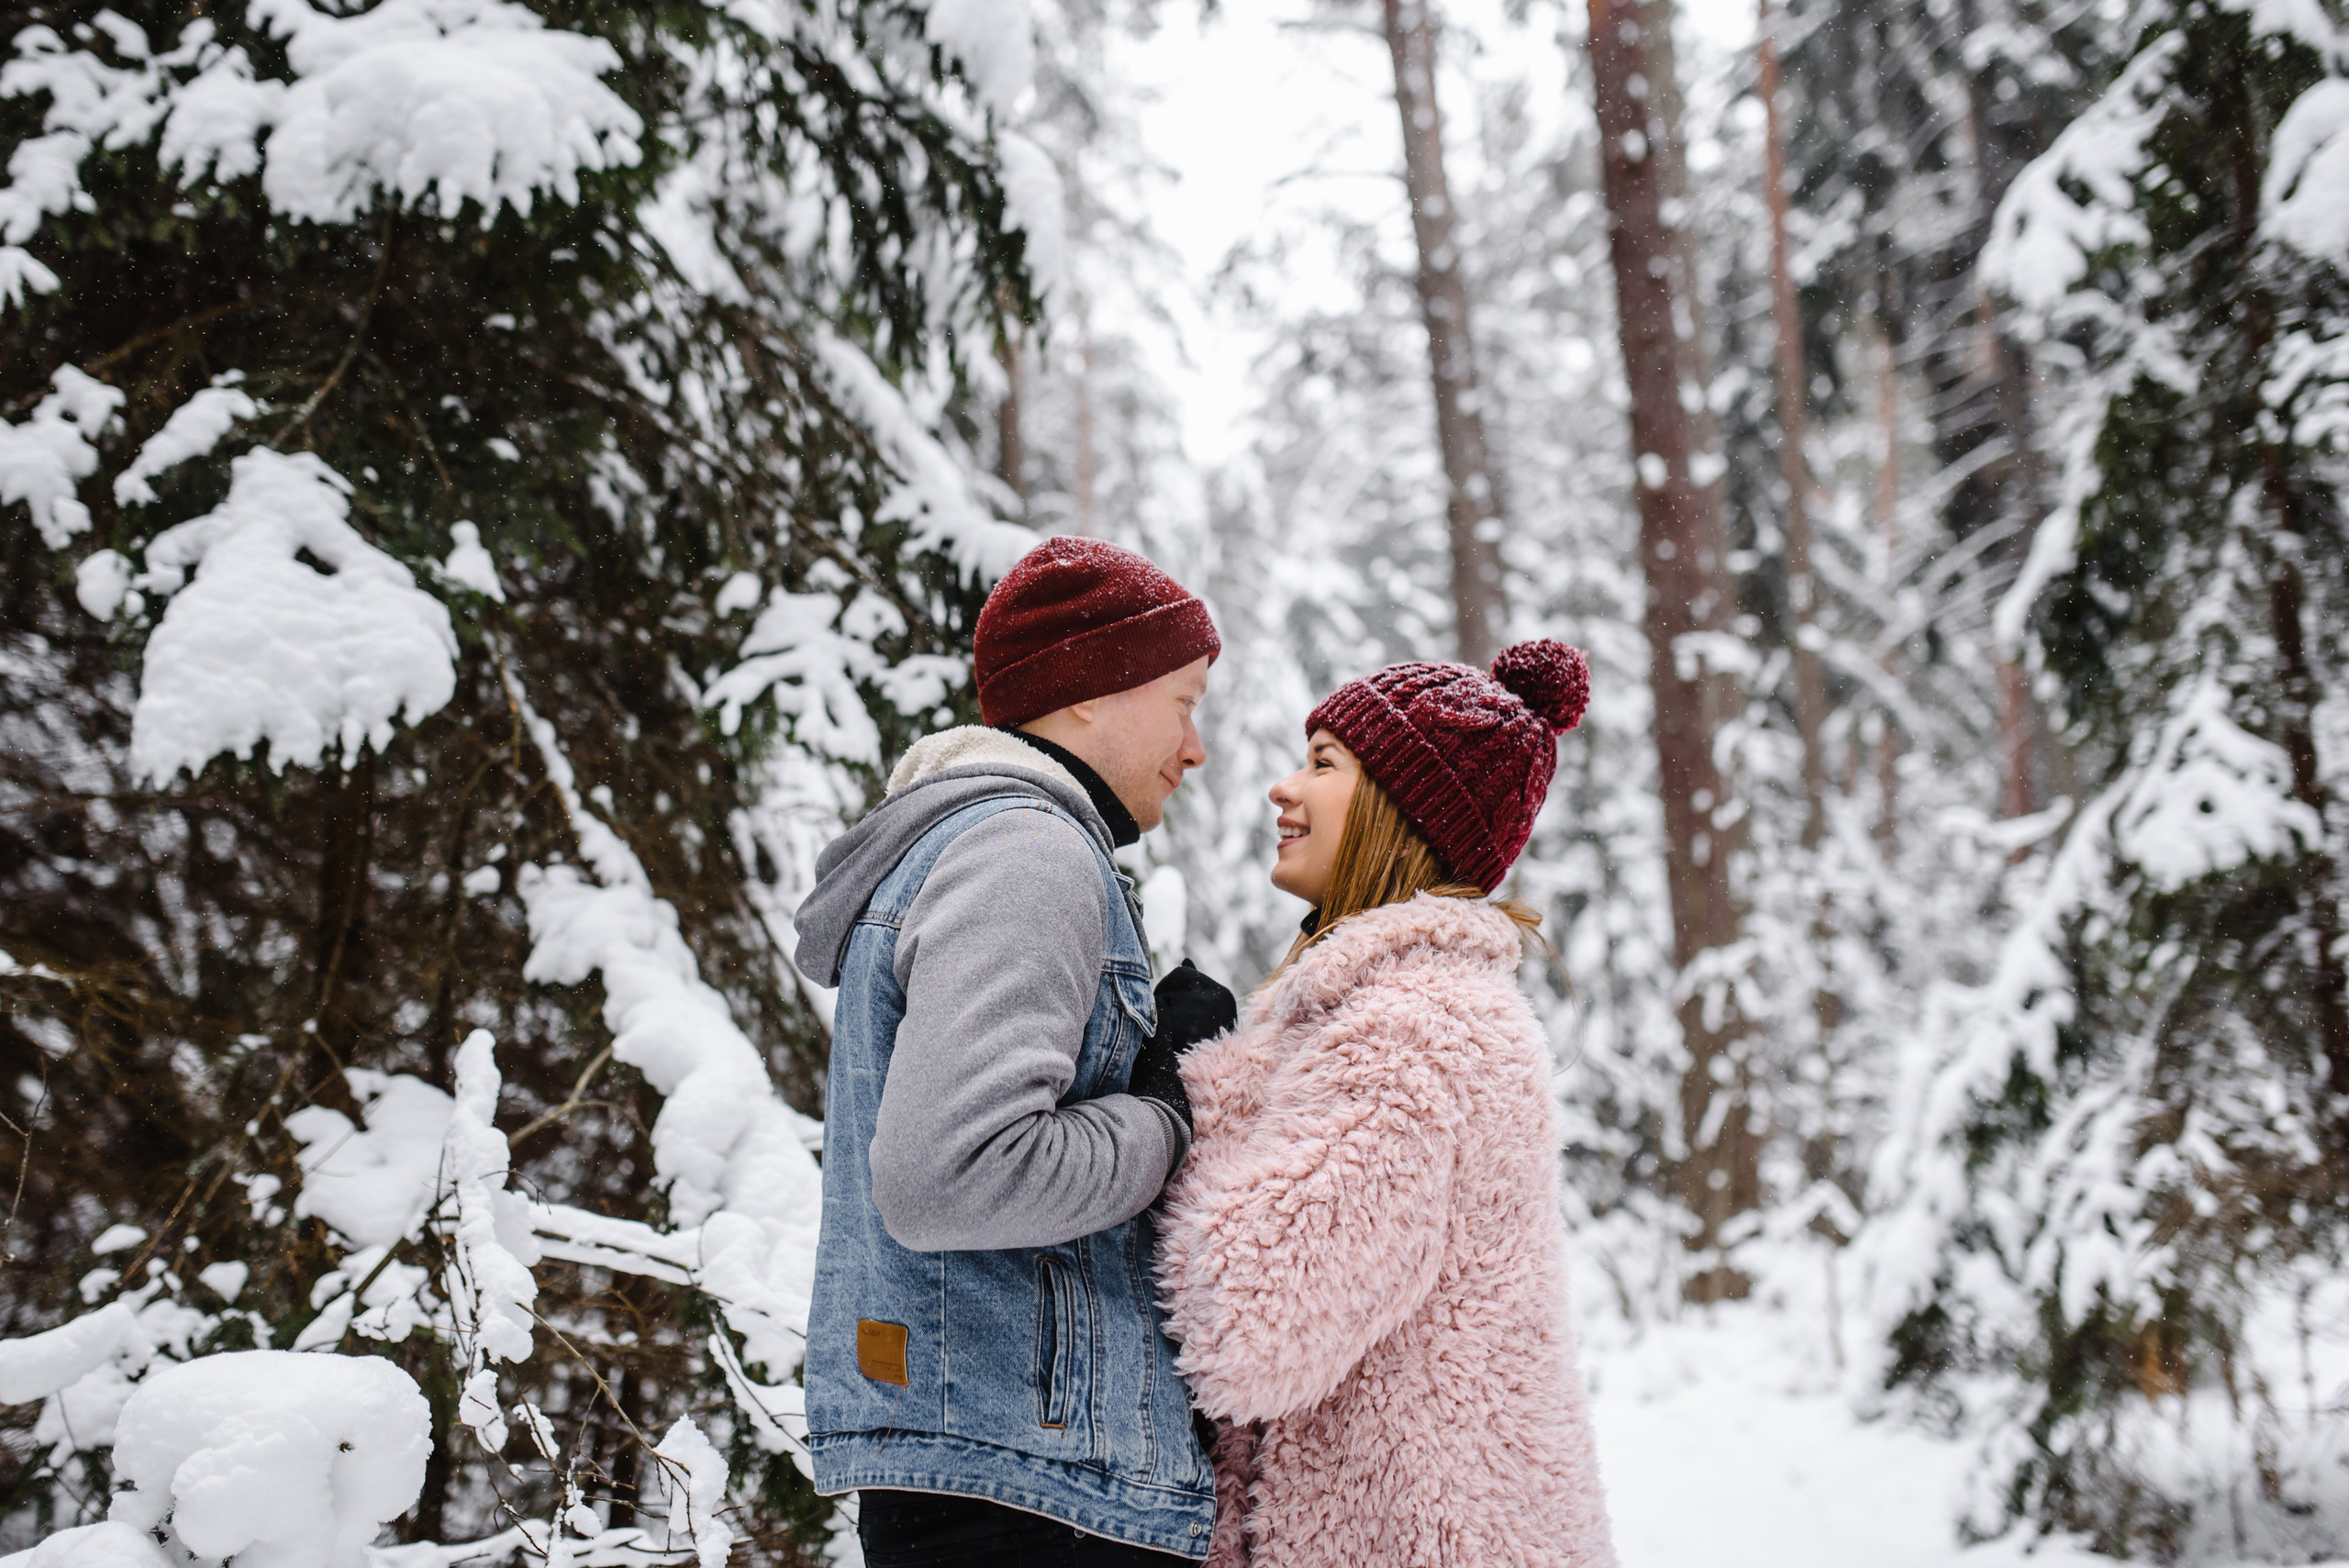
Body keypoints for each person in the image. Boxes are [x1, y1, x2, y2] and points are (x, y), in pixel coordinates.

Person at [795, 537, 1233, 1564]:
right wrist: (1168, 1112)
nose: (1195, 745)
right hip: (1034, 1485)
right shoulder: (1025, 849)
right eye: (1184, 701)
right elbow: (952, 1176)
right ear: (1092, 692)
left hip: (992, 1466)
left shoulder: (972, 843)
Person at [1155, 640, 1618, 1568]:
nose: (1283, 789)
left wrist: (1182, 1090)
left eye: (1324, 764)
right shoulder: (1407, 1008)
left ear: (1402, 811)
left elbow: (1248, 1319)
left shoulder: (1414, 1029)